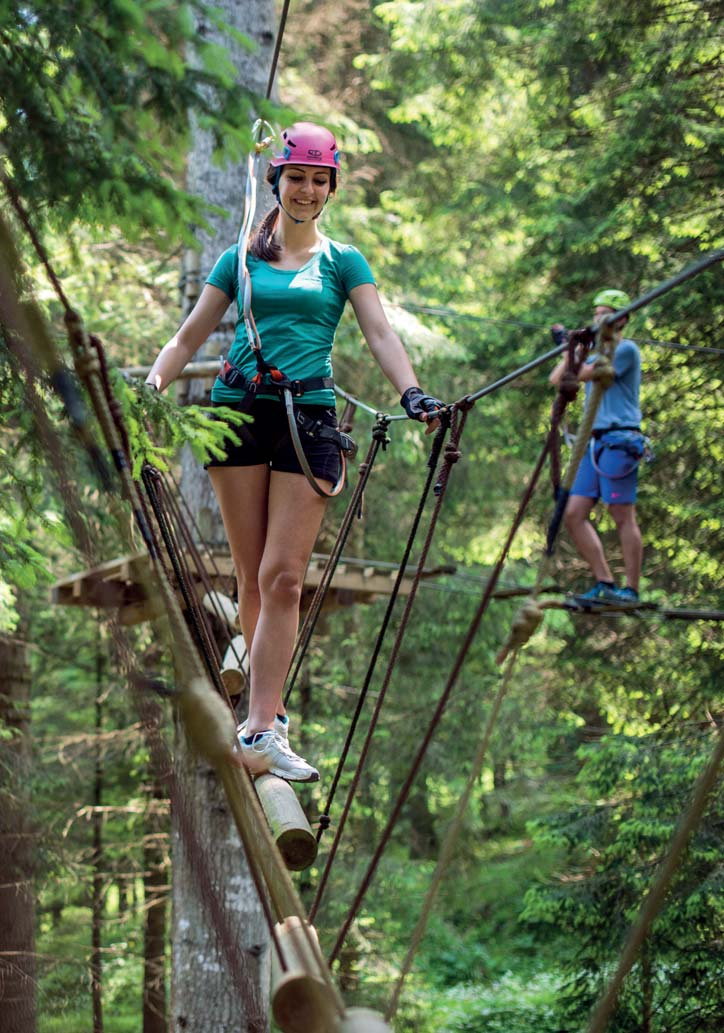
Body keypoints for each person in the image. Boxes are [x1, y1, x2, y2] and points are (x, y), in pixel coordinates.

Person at [145, 122, 444, 781]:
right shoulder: (239, 260)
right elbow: (188, 336)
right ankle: (269, 712)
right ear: (275, 179)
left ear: (331, 187)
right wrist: (151, 386)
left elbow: (380, 333)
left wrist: (414, 393)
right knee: (254, 574)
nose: (306, 189)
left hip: (308, 418)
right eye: (296, 176)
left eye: (319, 178)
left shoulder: (344, 262)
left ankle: (257, 728)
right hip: (237, 411)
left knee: (283, 576)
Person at [549, 288, 645, 606]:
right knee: (573, 514)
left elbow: (583, 374)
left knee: (621, 514)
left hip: (619, 440)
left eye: (607, 313)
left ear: (622, 319)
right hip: (594, 443)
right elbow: (558, 379)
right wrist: (570, 349)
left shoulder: (626, 350)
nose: (599, 318)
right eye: (596, 313)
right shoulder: (591, 354)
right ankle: (604, 581)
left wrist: (571, 352)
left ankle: (630, 588)